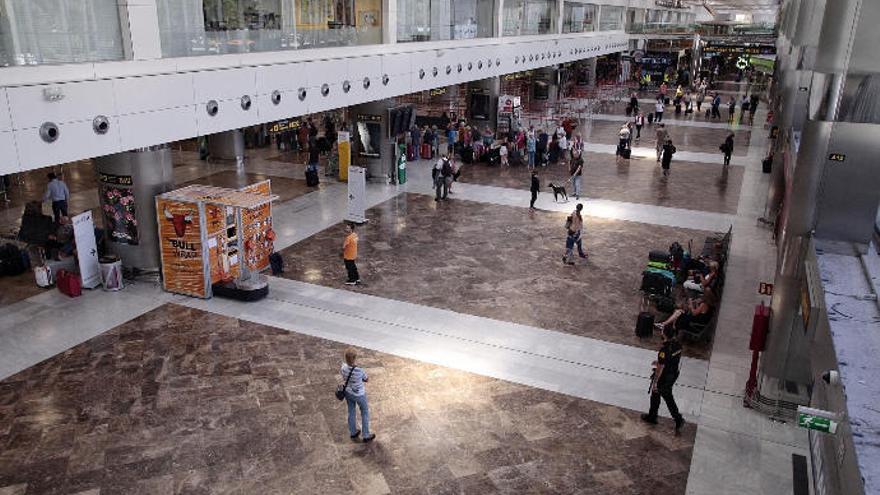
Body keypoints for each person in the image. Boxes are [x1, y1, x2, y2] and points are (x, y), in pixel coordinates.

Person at [641, 325, 685, 435]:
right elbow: (671, 360)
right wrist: (660, 362)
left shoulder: (664, 350)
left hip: (664, 377)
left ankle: (678, 419)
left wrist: (655, 381)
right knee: (657, 395)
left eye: (662, 331)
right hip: (673, 374)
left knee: (666, 397)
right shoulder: (678, 345)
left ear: (664, 334)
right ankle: (652, 416)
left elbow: (660, 368)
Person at [340, 348, 375, 442]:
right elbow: (366, 379)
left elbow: (344, 376)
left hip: (348, 393)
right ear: (355, 358)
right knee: (365, 412)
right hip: (359, 394)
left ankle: (353, 432)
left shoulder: (343, 367)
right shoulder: (359, 370)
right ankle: (366, 435)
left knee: (351, 411)